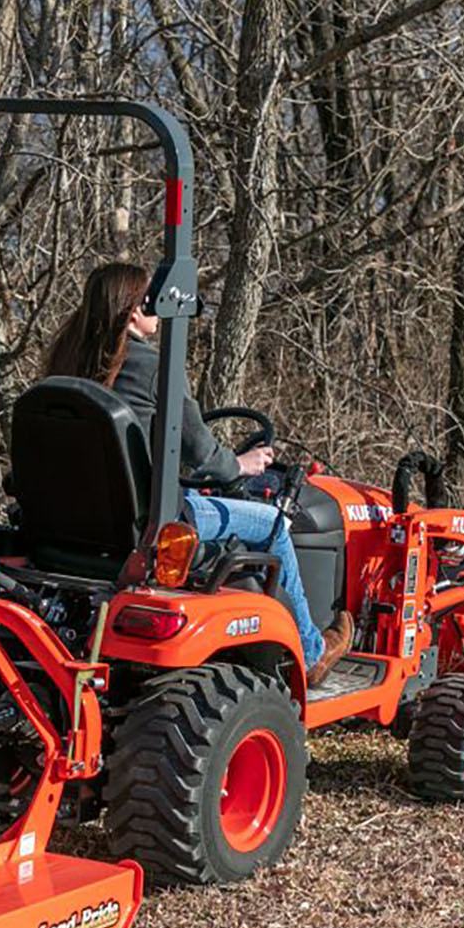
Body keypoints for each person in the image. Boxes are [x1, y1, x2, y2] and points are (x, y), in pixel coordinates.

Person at [45, 262, 353, 684]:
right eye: (150, 298)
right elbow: (200, 451)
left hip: (78, 523)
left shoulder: (68, 366)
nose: (157, 307)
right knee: (275, 526)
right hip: (154, 522)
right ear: (133, 311)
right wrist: (241, 465)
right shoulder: (152, 368)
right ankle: (312, 650)